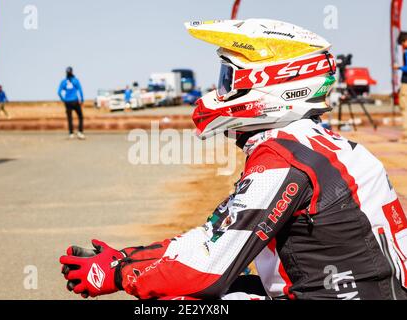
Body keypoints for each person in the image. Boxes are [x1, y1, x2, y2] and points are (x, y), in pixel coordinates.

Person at [60, 19, 407, 300]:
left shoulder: (284, 160)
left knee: (182, 299)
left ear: (269, 82)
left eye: (228, 78)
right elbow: (215, 236)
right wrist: (128, 258)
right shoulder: (311, 142)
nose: (219, 91)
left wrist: (120, 274)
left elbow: (206, 269)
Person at [58, 67, 85, 139]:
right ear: (72, 72)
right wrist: (82, 100)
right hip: (75, 101)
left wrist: (63, 100)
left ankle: (71, 133)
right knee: (80, 117)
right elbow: (80, 90)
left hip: (67, 102)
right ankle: (80, 132)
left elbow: (59, 92)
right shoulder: (75, 81)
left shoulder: (63, 82)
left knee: (69, 118)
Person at [395, 32, 407, 143]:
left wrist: (398, 67)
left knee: (404, 108)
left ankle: (405, 135)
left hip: (406, 84)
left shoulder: (406, 53)